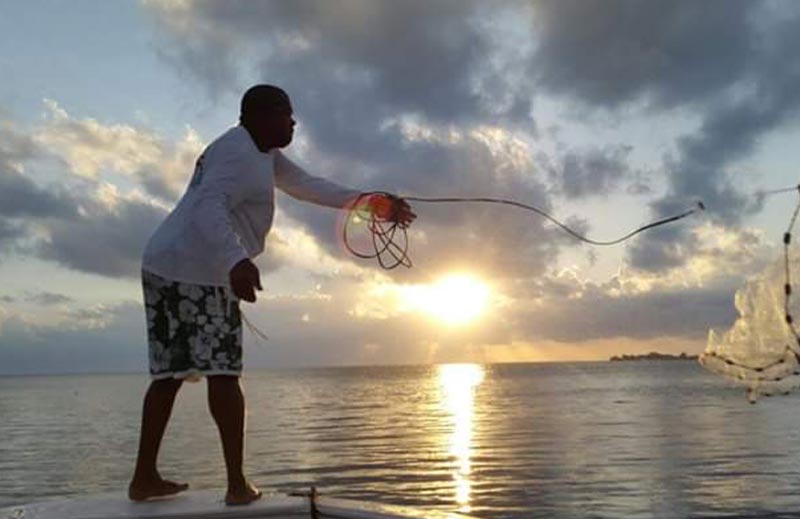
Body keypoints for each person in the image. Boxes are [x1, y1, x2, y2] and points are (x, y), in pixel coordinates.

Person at [128, 84, 416, 505]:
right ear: (262, 117)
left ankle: (144, 479)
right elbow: (210, 205)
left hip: (168, 263)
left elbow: (308, 185)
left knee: (170, 376)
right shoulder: (238, 154)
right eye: (287, 114)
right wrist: (235, 261)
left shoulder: (260, 153)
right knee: (223, 373)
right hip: (196, 269)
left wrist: (371, 203)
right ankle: (236, 486)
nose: (294, 122)